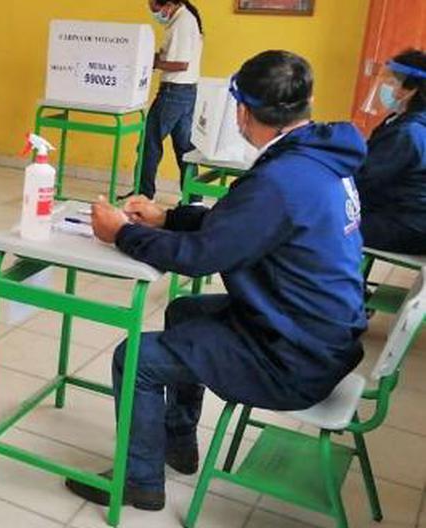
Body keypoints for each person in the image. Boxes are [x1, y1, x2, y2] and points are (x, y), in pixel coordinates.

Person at [68, 50, 367, 511]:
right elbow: (244, 225)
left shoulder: (282, 179)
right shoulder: (317, 157)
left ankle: (138, 482)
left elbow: (201, 258)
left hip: (293, 358)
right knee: (183, 311)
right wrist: (167, 216)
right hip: (317, 333)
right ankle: (178, 440)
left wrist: (122, 233)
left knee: (136, 357)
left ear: (244, 111)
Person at [129, 0, 204, 201]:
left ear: (168, 4)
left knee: (149, 144)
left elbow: (180, 64)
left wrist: (152, 63)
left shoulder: (182, 22)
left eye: (155, 9)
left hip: (174, 92)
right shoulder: (186, 18)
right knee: (185, 149)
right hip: (187, 92)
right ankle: (193, 199)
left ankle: (144, 195)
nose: (155, 13)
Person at [356, 49, 426, 254]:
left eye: (391, 81)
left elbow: (365, 179)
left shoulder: (408, 132)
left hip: (408, 224)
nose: (384, 87)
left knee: (322, 227)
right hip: (405, 216)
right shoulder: (403, 122)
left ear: (410, 89)